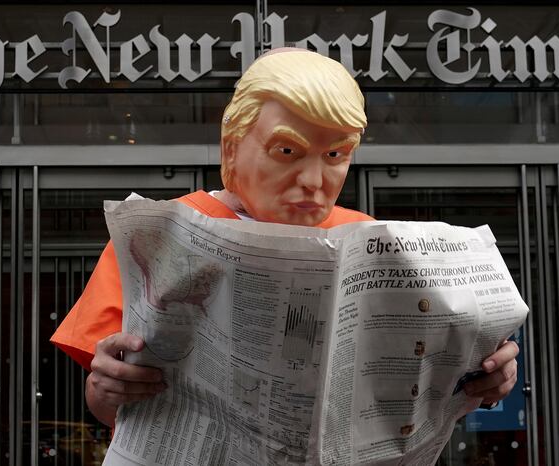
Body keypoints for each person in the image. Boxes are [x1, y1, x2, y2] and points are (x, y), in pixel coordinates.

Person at [50, 48, 519, 428]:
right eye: (288, 150)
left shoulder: (367, 238)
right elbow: (109, 399)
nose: (313, 181)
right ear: (232, 146)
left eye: (335, 154)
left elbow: (414, 395)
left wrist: (485, 380)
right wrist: (105, 389)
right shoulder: (158, 235)